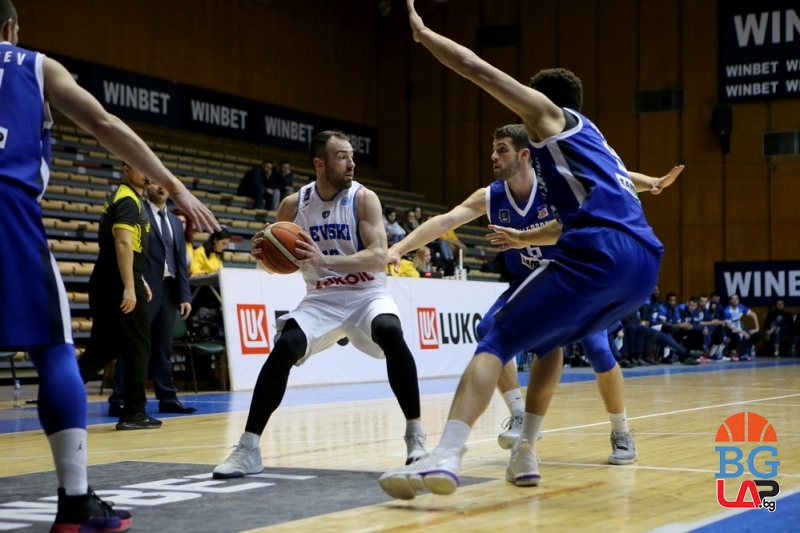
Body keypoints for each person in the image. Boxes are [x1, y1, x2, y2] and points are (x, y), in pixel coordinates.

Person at [378, 2, 664, 500]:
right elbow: (596, 201)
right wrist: (527, 238)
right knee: (550, 343)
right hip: (643, 262)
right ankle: (526, 450)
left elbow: (475, 67)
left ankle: (446, 454)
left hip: (598, 253)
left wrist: (423, 35)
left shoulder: (550, 118)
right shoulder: (594, 142)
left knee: (494, 337)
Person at [0, 4, 215, 529]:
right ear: (9, 29)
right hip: (7, 207)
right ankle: (75, 501)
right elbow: (103, 122)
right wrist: (177, 186)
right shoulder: (32, 64)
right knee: (55, 351)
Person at [386, 124, 679, 462]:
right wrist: (400, 248)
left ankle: (621, 431)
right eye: (493, 149)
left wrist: (651, 182)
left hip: (575, 284)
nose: (493, 156)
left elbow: (611, 178)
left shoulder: (555, 186)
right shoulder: (491, 196)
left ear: (524, 154)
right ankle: (518, 414)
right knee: (488, 330)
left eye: (502, 150)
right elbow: (444, 222)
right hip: (528, 283)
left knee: (599, 350)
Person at [212, 131, 429, 479]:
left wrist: (325, 260)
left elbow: (378, 257)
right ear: (320, 163)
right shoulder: (292, 205)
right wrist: (264, 256)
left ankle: (415, 437)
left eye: (351, 156)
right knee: (285, 347)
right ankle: (248, 448)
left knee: (390, 330)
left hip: (366, 294)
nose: (351, 163)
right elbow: (280, 265)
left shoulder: (364, 199)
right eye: (342, 156)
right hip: (321, 298)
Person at [77, 163, 161, 429]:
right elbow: (122, 242)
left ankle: (57, 393)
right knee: (138, 346)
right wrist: (129, 285)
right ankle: (134, 413)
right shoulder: (126, 199)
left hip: (109, 277)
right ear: (126, 168)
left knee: (102, 347)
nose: (147, 173)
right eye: (140, 167)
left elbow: (129, 245)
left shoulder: (127, 197)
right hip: (117, 280)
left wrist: (139, 278)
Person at [108, 182, 197, 417]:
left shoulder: (176, 221)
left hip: (169, 290)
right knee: (134, 346)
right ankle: (119, 399)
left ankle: (167, 398)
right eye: (155, 182)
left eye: (164, 184)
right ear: (148, 186)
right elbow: (129, 249)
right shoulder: (138, 212)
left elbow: (181, 262)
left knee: (163, 348)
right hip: (144, 288)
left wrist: (185, 295)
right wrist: (134, 282)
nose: (160, 188)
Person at [724, 293, 759, 361]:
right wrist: (743, 332)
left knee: (755, 335)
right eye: (733, 299)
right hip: (730, 330)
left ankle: (745, 352)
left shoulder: (741, 307)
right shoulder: (727, 311)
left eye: (737, 298)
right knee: (737, 335)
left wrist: (757, 328)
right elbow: (729, 326)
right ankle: (733, 352)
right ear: (730, 301)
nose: (735, 300)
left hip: (739, 329)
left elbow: (754, 315)